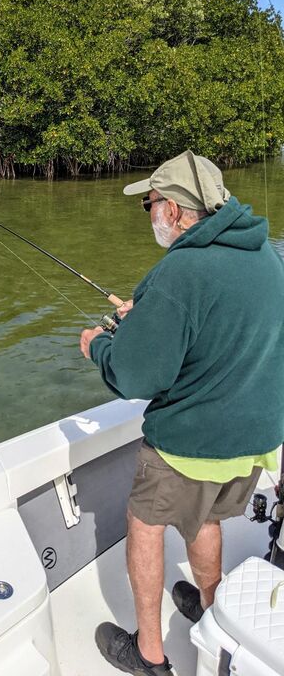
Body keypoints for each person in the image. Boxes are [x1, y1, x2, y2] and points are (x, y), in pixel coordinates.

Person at [80, 150, 284, 676]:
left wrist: (100, 346)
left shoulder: (179, 272)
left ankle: (148, 654)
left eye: (148, 203)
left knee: (144, 525)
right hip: (256, 438)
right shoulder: (267, 256)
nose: (148, 213)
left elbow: (136, 377)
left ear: (172, 210)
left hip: (193, 443)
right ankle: (215, 611)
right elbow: (220, 331)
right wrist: (146, 319)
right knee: (207, 515)